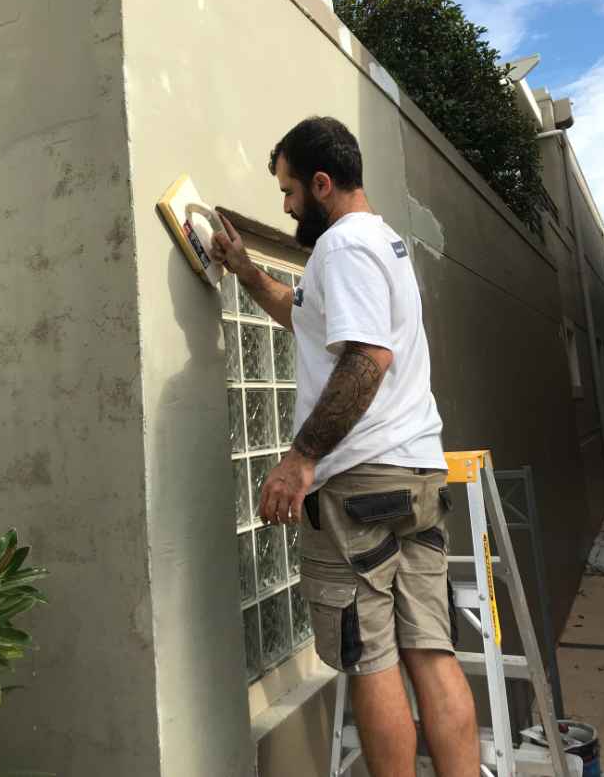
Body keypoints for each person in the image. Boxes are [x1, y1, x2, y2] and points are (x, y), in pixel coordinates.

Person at [211, 116, 479, 777]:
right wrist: (245, 267)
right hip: (414, 475)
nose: (285, 205)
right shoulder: (379, 244)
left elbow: (366, 358)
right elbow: (301, 314)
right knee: (430, 651)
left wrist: (301, 458)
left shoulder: (343, 247)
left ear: (322, 183)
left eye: (289, 191)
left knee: (372, 656)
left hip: (362, 483)